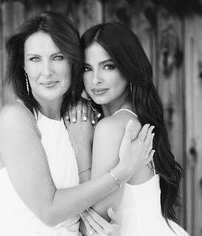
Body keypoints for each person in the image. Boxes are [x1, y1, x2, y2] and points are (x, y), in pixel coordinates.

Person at [0, 13, 154, 236]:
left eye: (57, 57)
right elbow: (50, 210)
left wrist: (105, 229)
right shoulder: (15, 119)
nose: (47, 72)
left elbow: (91, 210)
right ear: (23, 66)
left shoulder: (84, 117)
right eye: (35, 59)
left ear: (73, 61)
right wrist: (122, 172)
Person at [77, 22, 190, 236]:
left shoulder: (111, 128)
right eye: (86, 68)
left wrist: (80, 143)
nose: (95, 79)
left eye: (108, 66)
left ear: (128, 68)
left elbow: (91, 228)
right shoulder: (133, 119)